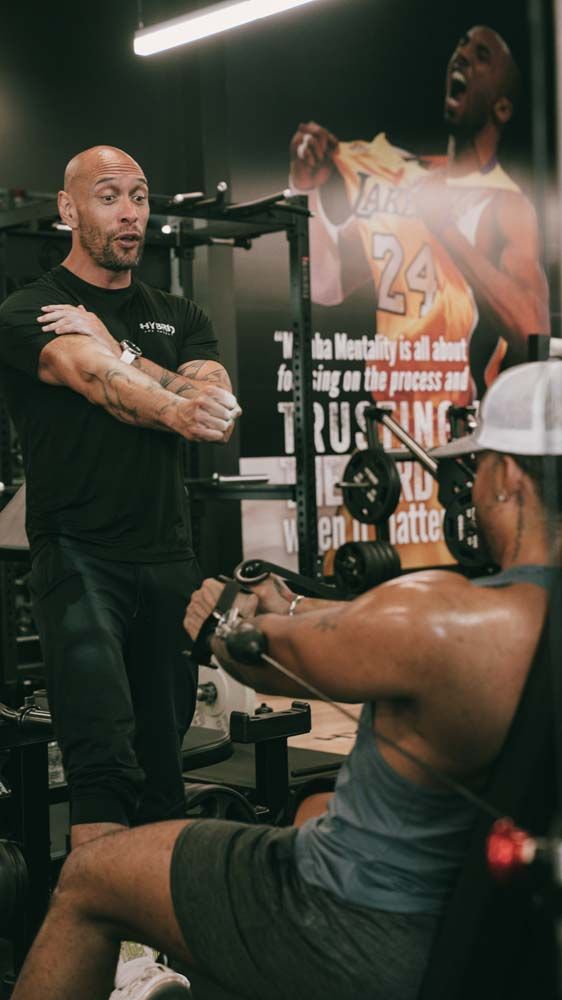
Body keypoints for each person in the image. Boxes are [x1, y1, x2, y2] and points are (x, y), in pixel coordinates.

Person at [9, 360, 561, 1000]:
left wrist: (220, 616)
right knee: (311, 807)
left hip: (354, 926)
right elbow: (364, 629)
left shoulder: (440, 617)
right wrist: (296, 603)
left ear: (507, 478)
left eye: (480, 463)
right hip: (503, 929)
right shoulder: (457, 623)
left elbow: (256, 655)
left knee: (89, 876)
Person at [0, 146, 241, 996]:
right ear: (69, 211)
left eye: (139, 195)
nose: (131, 211)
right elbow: (104, 384)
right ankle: (109, 966)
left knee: (164, 766)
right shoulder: (30, 310)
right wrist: (135, 369)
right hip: (80, 559)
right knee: (102, 761)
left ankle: (156, 957)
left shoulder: (179, 313)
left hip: (166, 558)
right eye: (110, 196)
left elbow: (215, 407)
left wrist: (128, 352)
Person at [289, 25, 550, 568]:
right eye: (462, 46)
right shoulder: (405, 180)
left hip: (459, 456)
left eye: (482, 55)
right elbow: (329, 285)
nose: (463, 56)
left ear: (502, 107)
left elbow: (533, 329)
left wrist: (447, 230)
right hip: (386, 450)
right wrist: (306, 189)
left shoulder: (507, 204)